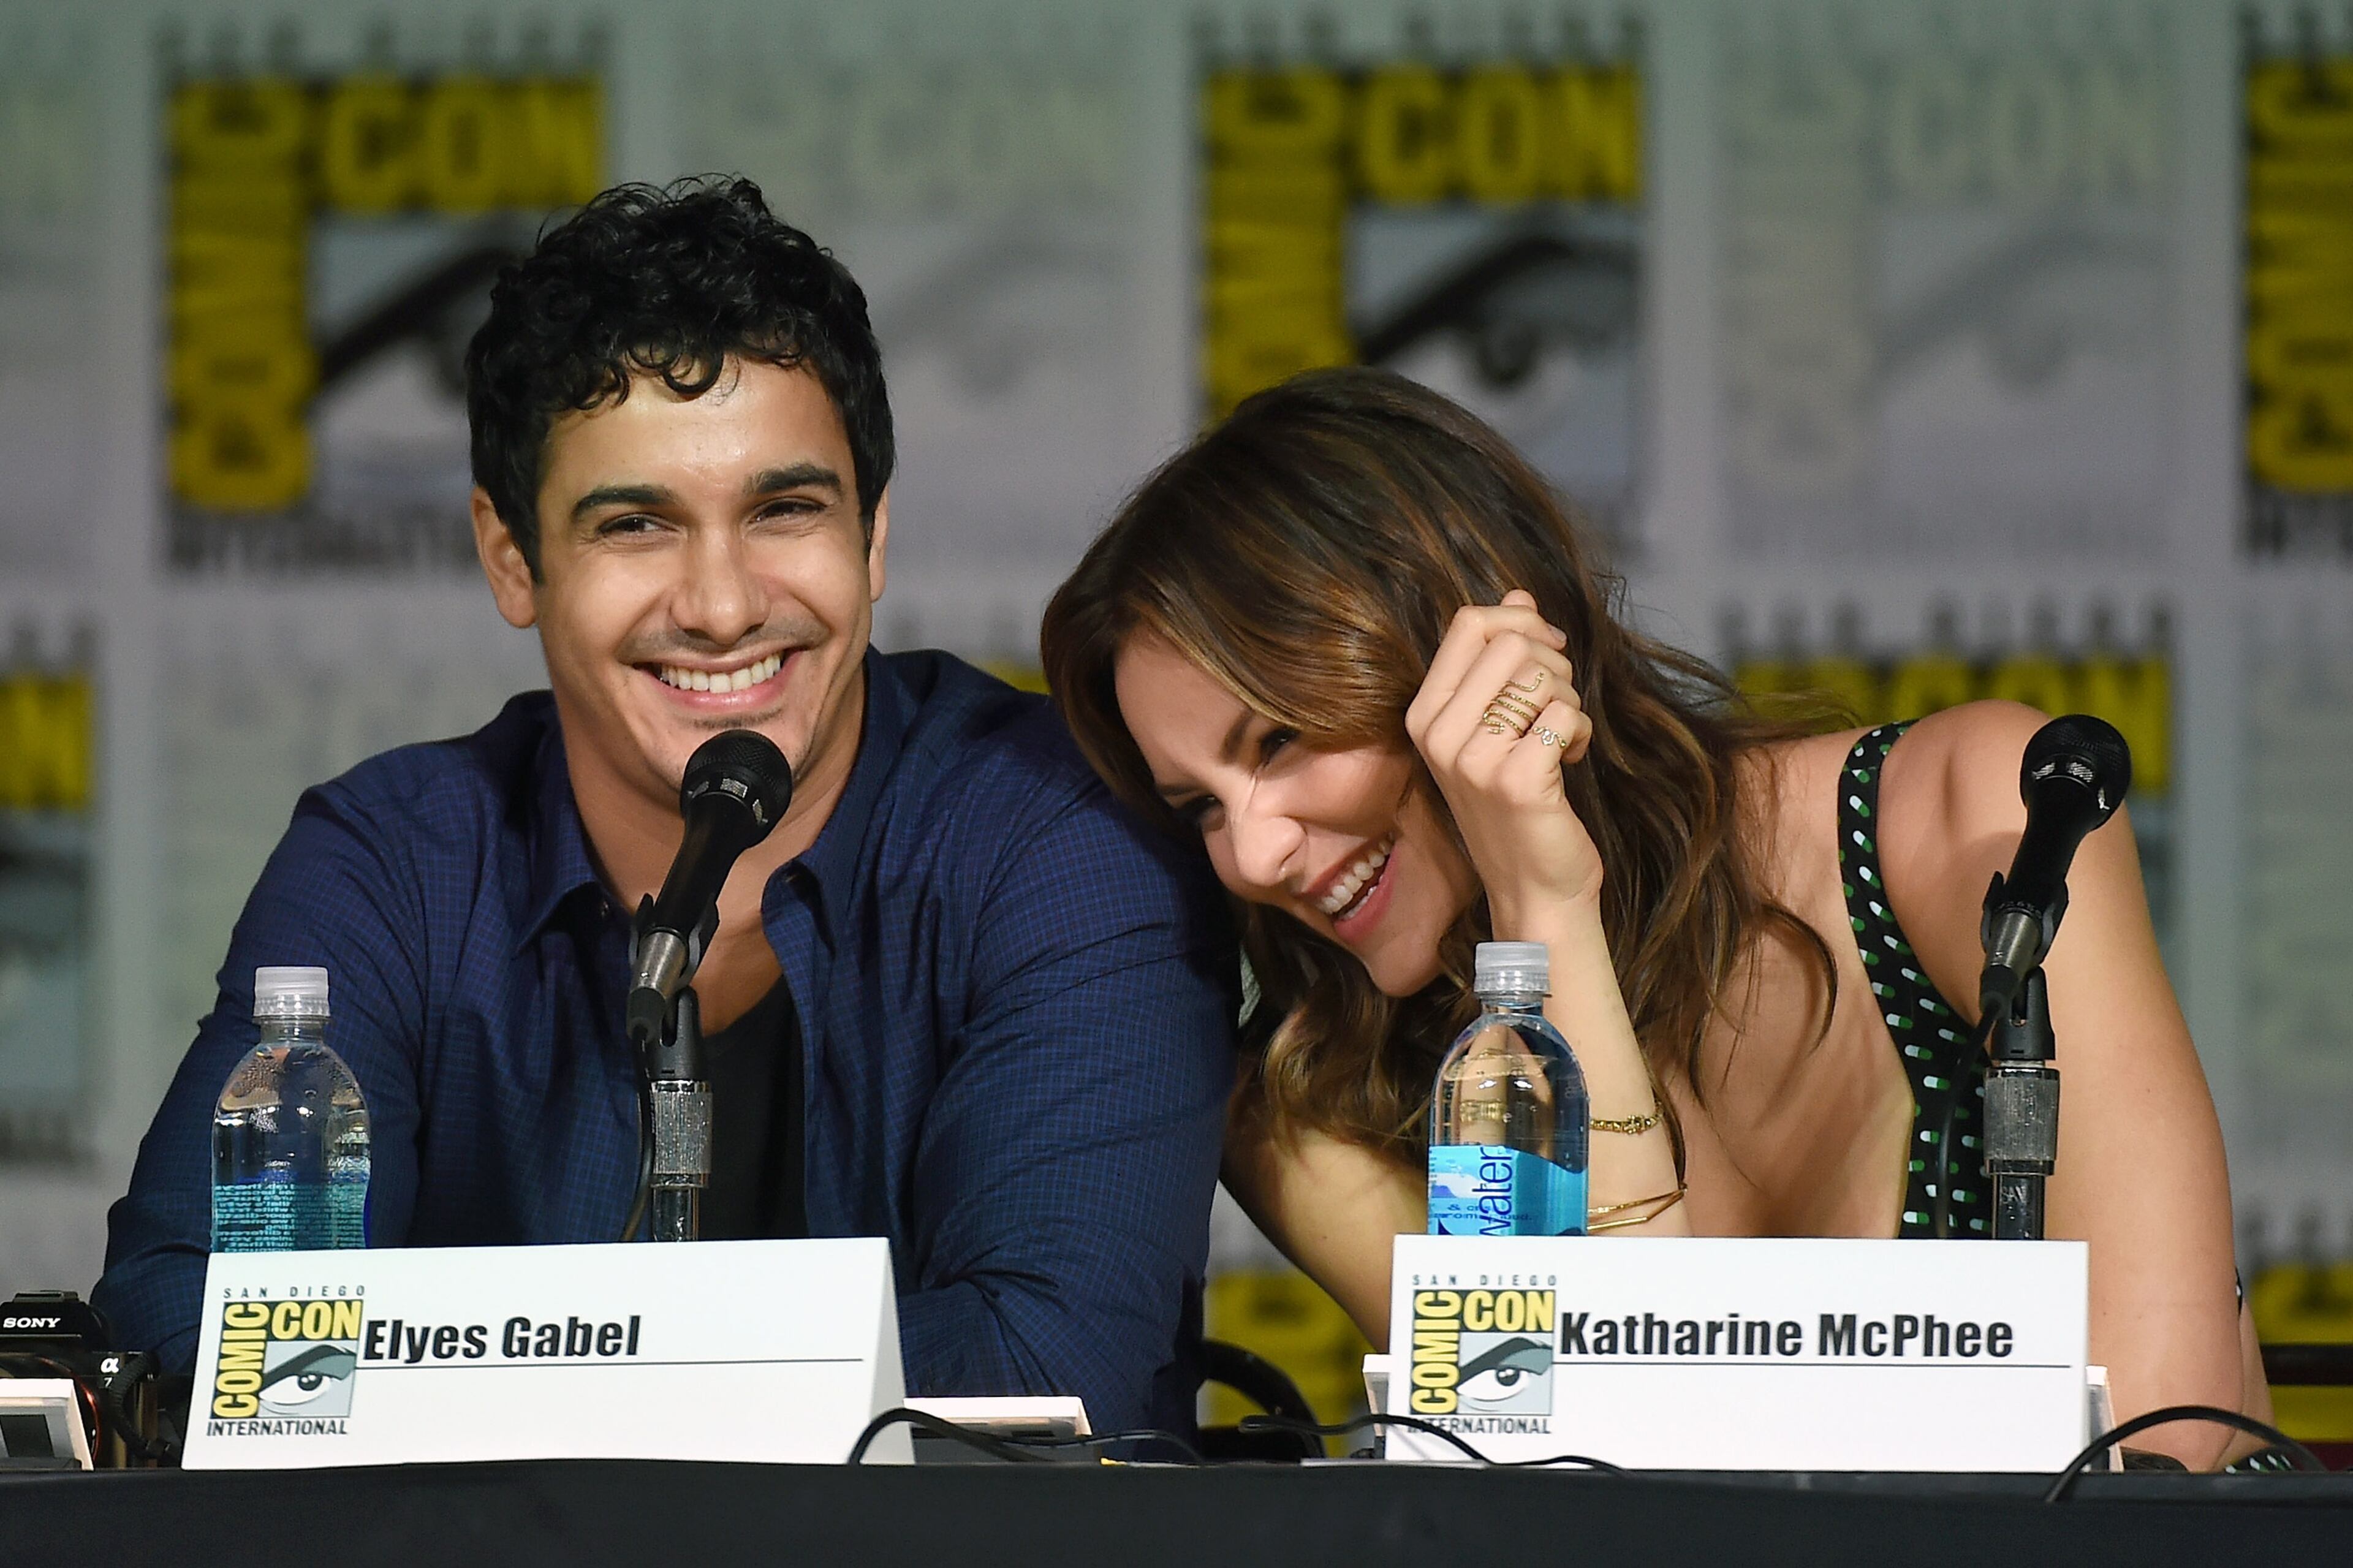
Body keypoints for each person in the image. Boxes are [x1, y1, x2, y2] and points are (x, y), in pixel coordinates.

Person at [94, 179, 1236, 1436]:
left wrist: (499, 1362)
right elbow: (187, 1315)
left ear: (874, 537)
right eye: (636, 524)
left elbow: (1057, 1356)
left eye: (785, 510)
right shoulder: (395, 861)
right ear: (512, 557)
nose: (722, 602)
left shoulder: (1059, 830)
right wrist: (695, 1363)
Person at [1039, 366, 2269, 1467]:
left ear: (1467, 648)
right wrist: (1544, 908)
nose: (1254, 853)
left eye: (1285, 738)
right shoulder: (1309, 1104)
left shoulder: (1974, 822)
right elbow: (1592, 1487)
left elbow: (2172, 1443)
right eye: (1198, 805)